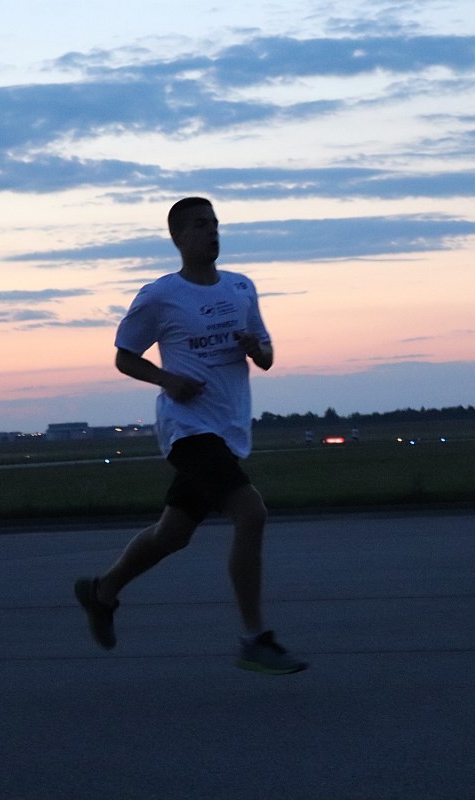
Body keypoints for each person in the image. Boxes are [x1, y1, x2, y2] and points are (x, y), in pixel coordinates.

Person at [75, 197, 307, 675]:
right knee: (251, 512)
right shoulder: (161, 295)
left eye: (216, 224)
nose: (212, 232)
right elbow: (124, 356)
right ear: (178, 237)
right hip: (187, 429)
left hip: (228, 428)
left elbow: (266, 356)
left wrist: (255, 348)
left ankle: (102, 592)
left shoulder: (241, 288)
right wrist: (167, 380)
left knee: (173, 534)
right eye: (201, 225)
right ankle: (254, 639)